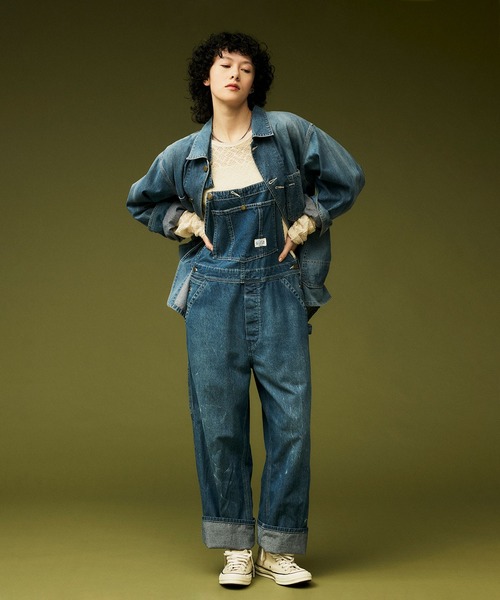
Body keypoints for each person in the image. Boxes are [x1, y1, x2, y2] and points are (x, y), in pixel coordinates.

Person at [126, 31, 364, 587]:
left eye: (246, 68)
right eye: (224, 65)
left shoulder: (288, 132)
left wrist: (307, 223)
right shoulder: (183, 155)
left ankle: (279, 547)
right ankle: (236, 545)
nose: (234, 74)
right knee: (219, 425)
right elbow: (142, 200)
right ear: (205, 79)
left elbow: (347, 178)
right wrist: (183, 221)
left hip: (280, 288)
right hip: (212, 294)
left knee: (291, 423)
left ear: (257, 82)